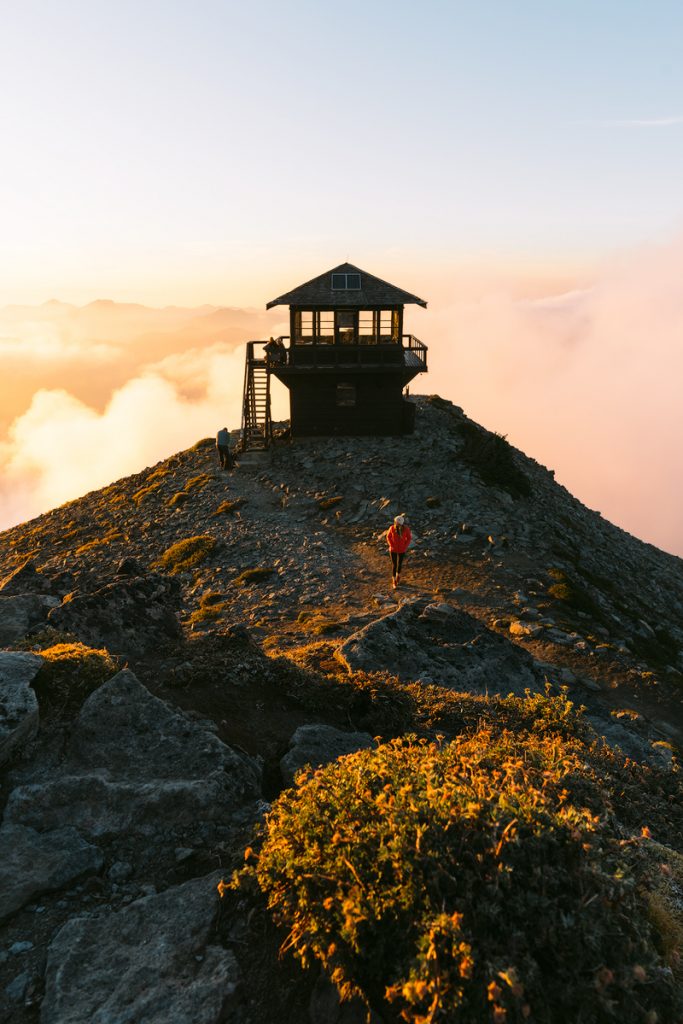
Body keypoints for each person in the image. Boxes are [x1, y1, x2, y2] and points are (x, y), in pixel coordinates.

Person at [387, 513, 411, 589]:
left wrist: (405, 546)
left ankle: (398, 576)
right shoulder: (391, 528)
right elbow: (388, 537)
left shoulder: (406, 529)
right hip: (393, 549)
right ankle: (394, 580)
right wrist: (391, 545)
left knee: (399, 564)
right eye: (395, 522)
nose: (396, 523)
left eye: (397, 522)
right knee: (394, 565)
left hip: (401, 549)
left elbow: (409, 538)